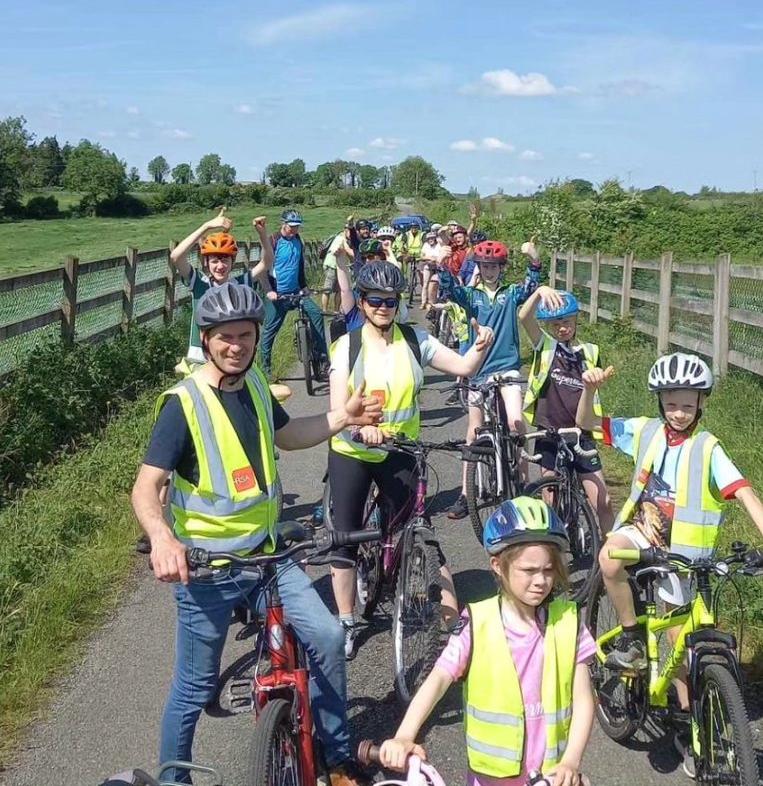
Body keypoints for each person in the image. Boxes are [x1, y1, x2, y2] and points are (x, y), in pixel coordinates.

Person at [132, 282, 384, 786]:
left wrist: (343, 417)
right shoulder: (183, 405)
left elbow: (290, 436)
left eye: (245, 336)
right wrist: (162, 538)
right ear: (206, 340)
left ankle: (335, 755)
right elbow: (146, 486)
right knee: (193, 686)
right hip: (208, 570)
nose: (236, 346)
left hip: (270, 557)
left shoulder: (254, 386)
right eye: (225, 337)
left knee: (329, 636)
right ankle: (171, 780)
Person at [574, 351, 763, 775]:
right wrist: (589, 390)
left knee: (680, 643)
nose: (678, 413)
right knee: (608, 557)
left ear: (701, 405)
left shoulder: (708, 448)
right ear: (659, 402)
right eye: (671, 404)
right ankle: (632, 637)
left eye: (687, 406)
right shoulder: (646, 432)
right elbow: (587, 423)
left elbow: (743, 491)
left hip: (687, 559)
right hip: (642, 534)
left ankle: (691, 726)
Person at [327, 260, 495, 659]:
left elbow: (465, 367)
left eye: (390, 300)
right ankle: (347, 621)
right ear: (363, 302)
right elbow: (337, 411)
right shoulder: (347, 346)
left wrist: (480, 345)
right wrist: (358, 427)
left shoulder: (416, 340)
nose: (383, 306)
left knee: (415, 527)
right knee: (346, 539)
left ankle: (444, 614)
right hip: (354, 451)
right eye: (375, 300)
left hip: (401, 450)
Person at [377, 497, 595, 786]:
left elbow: (583, 699)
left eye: (548, 570)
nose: (541, 580)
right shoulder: (477, 623)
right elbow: (438, 679)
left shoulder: (569, 623)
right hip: (489, 779)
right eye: (528, 571)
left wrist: (572, 761)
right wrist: (405, 735)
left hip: (552, 777)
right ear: (497, 565)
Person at [431, 238, 543, 520]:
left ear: (501, 268)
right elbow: (451, 291)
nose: (489, 270)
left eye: (494, 266)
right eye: (484, 265)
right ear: (478, 267)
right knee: (474, 430)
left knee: (516, 423)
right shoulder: (472, 295)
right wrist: (441, 265)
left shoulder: (511, 292)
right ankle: (466, 495)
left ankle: (525, 484)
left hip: (507, 367)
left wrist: (534, 260)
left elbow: (531, 287)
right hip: (479, 370)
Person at [518, 287, 613, 535]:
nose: (562, 328)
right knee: (551, 498)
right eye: (556, 323)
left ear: (576, 320)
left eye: (567, 321)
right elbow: (523, 317)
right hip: (549, 432)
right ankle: (557, 548)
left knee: (603, 501)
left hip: (581, 434)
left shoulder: (590, 351)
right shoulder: (546, 346)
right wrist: (539, 292)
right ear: (549, 326)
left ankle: (612, 555)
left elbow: (594, 387)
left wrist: (598, 380)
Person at [168, 208, 271, 373]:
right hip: (199, 355)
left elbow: (266, 263)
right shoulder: (200, 283)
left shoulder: (240, 284)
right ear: (206, 262)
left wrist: (262, 234)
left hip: (230, 353)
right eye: (214, 261)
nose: (220, 266)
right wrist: (207, 226)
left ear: (232, 262)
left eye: (225, 261)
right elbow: (176, 256)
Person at [259, 209, 330, 384]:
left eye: (297, 227)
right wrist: (269, 290)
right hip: (278, 295)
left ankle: (322, 360)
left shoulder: (298, 241)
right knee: (269, 332)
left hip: (296, 292)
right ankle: (265, 371)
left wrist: (304, 286)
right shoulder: (273, 241)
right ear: (282, 224)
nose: (294, 230)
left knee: (316, 314)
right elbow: (261, 270)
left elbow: (299, 267)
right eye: (291, 227)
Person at [320, 215, 358, 312]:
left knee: (339, 289)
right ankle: (324, 310)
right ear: (345, 230)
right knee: (327, 289)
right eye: (348, 230)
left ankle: (336, 310)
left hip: (340, 267)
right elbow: (336, 251)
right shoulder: (340, 239)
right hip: (332, 266)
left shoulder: (347, 241)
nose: (350, 233)